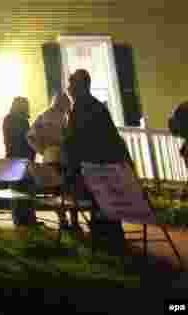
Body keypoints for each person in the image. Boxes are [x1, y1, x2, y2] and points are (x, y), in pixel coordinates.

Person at [65, 69, 132, 254]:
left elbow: (75, 141)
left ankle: (106, 243)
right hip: (104, 165)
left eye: (71, 84)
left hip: (94, 166)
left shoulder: (80, 108)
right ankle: (111, 240)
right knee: (105, 205)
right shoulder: (97, 106)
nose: (68, 89)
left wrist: (72, 168)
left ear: (80, 86)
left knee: (100, 205)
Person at [28, 91, 78, 230]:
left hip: (50, 156)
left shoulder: (43, 115)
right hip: (62, 157)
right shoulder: (64, 116)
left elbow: (30, 136)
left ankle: (64, 221)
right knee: (68, 190)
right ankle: (73, 222)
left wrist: (42, 150)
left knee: (57, 191)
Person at [2, 97, 37, 227]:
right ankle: (26, 219)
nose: (28, 108)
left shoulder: (9, 119)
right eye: (25, 106)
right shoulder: (20, 121)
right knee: (23, 190)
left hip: (15, 159)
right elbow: (26, 140)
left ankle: (22, 220)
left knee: (19, 191)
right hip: (20, 160)